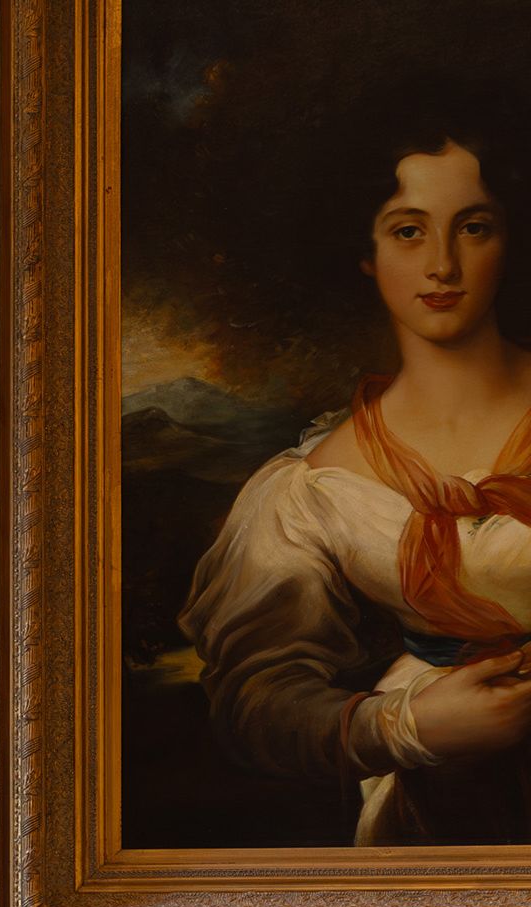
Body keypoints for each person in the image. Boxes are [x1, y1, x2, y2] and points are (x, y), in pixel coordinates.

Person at [182, 131, 531, 845]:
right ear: (365, 257)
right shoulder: (311, 489)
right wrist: (412, 724)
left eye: (473, 227)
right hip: (449, 811)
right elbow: (258, 704)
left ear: (512, 239)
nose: (442, 265)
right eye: (408, 231)